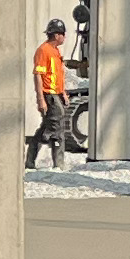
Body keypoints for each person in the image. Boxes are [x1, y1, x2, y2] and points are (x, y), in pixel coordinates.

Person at [27, 19, 79, 167]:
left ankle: (30, 161)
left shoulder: (55, 51)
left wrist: (63, 93)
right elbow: (38, 75)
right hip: (49, 95)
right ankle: (59, 164)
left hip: (56, 94)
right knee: (58, 130)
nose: (64, 37)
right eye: (63, 34)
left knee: (45, 130)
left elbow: (57, 75)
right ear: (57, 35)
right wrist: (40, 99)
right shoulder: (44, 51)